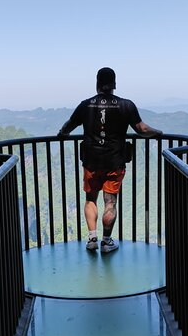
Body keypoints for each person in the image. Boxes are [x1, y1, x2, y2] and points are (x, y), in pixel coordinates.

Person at [57, 67, 162, 253]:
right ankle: (106, 242)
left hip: (91, 162)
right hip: (115, 162)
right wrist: (158, 133)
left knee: (90, 199)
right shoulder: (126, 105)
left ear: (97, 83)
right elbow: (142, 129)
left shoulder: (85, 105)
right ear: (114, 84)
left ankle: (92, 240)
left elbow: (68, 126)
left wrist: (62, 134)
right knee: (110, 202)